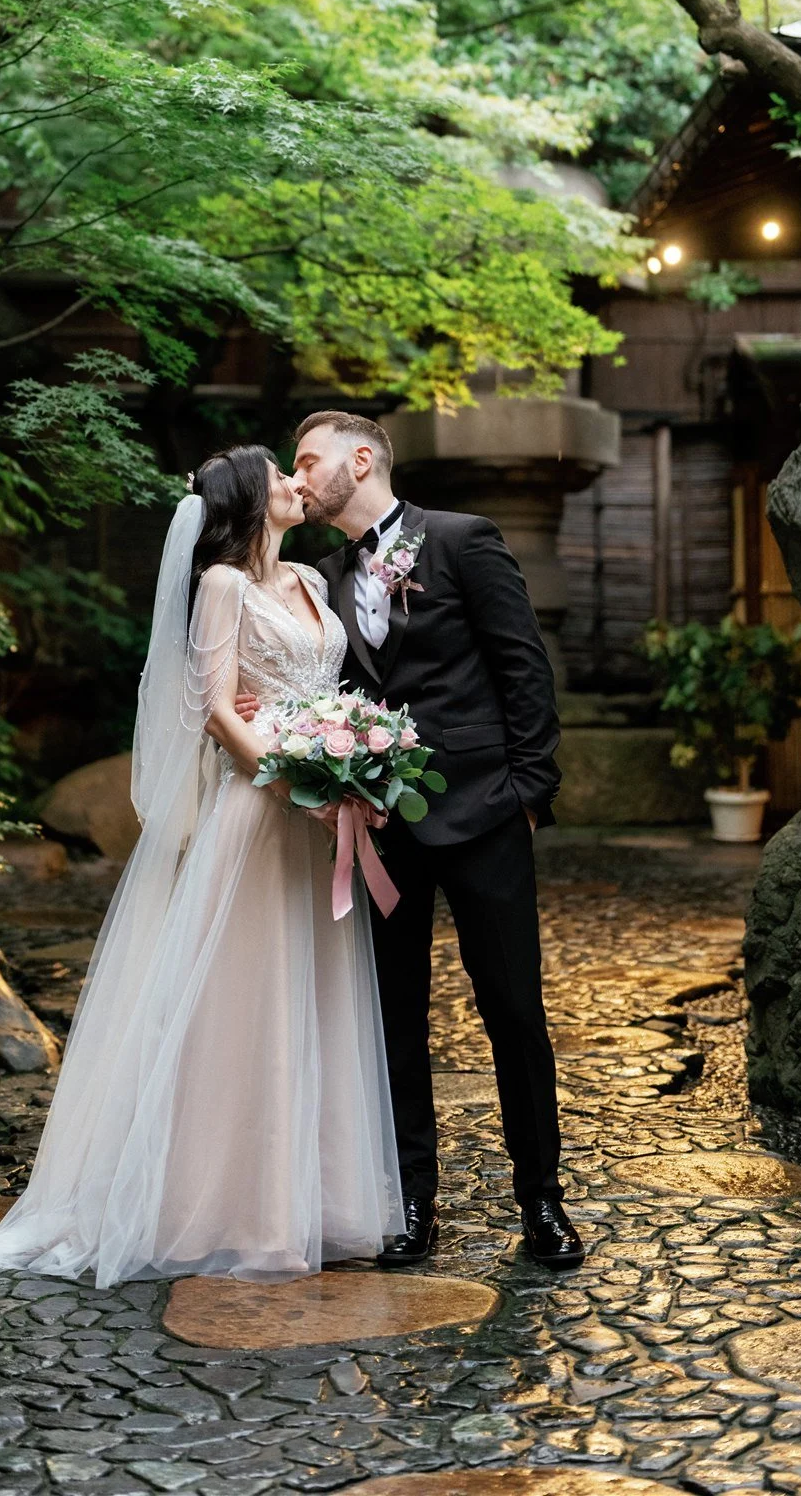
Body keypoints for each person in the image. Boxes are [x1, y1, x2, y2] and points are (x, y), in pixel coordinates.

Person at [0, 445, 401, 1285]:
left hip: (315, 825)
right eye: (281, 475)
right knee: (241, 1010)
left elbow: (326, 688)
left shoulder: (308, 580)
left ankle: (319, 1199)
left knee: (312, 1001)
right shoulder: (221, 585)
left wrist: (349, 756)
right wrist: (290, 770)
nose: (297, 485)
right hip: (260, 813)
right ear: (247, 498)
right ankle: (230, 1209)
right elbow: (215, 710)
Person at [241, 410, 582, 1270]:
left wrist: (529, 796)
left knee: (513, 1011)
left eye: (309, 459)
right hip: (378, 828)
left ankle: (541, 1200)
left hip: (485, 816)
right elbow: (311, 684)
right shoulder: (319, 575)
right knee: (392, 1019)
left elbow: (523, 668)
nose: (299, 474)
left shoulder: (464, 541)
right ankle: (411, 1203)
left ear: (362, 460)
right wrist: (262, 719)